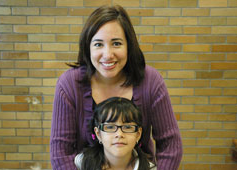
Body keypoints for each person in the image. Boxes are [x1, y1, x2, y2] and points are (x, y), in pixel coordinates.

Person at [50, 5, 182, 170]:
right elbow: (60, 153)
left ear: (129, 45)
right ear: (88, 47)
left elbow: (171, 145)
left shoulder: (151, 81)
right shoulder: (69, 84)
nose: (107, 54)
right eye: (98, 44)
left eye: (116, 43)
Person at [74, 97, 156, 170]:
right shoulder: (80, 163)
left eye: (127, 127)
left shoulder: (150, 168)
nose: (119, 134)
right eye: (110, 127)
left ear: (138, 134)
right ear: (98, 134)